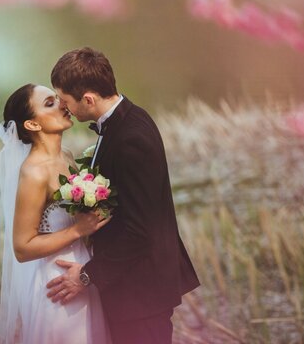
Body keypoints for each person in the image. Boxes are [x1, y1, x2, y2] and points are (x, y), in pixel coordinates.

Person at [46, 47, 200, 344]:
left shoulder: (131, 139)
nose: (65, 109)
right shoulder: (129, 119)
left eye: (65, 101)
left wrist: (87, 275)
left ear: (88, 99)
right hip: (134, 286)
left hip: (141, 290)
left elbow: (140, 231)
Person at [0, 83, 111, 344]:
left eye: (57, 99)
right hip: (57, 285)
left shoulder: (67, 156)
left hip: (82, 271)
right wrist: (78, 230)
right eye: (49, 103)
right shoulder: (33, 172)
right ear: (33, 125)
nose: (62, 104)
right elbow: (22, 248)